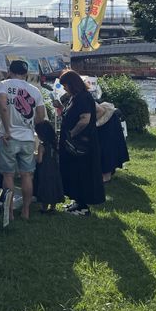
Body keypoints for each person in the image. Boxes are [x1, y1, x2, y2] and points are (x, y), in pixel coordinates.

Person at [0, 60, 46, 222]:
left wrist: (8, 130)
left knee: (8, 175)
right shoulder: (35, 90)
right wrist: (30, 126)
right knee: (27, 175)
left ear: (10, 71)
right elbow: (41, 116)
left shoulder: (3, 85)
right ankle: (26, 211)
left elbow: (3, 107)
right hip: (28, 138)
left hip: (8, 137)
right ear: (26, 74)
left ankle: (9, 212)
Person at [58, 70, 105, 216]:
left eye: (65, 85)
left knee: (81, 173)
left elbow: (85, 119)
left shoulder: (83, 98)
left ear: (72, 84)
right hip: (75, 142)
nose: (64, 88)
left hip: (81, 143)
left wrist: (71, 134)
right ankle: (77, 201)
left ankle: (83, 206)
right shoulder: (76, 97)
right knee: (73, 171)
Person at [95, 102, 130, 182]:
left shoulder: (83, 98)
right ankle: (108, 172)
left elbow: (101, 110)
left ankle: (106, 176)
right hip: (105, 121)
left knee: (106, 147)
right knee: (106, 147)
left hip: (106, 121)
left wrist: (90, 123)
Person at [34, 121, 64, 214]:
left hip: (45, 170)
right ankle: (53, 207)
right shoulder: (54, 144)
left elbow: (39, 160)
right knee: (54, 186)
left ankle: (44, 208)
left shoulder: (42, 146)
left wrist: (34, 156)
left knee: (45, 187)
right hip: (55, 169)